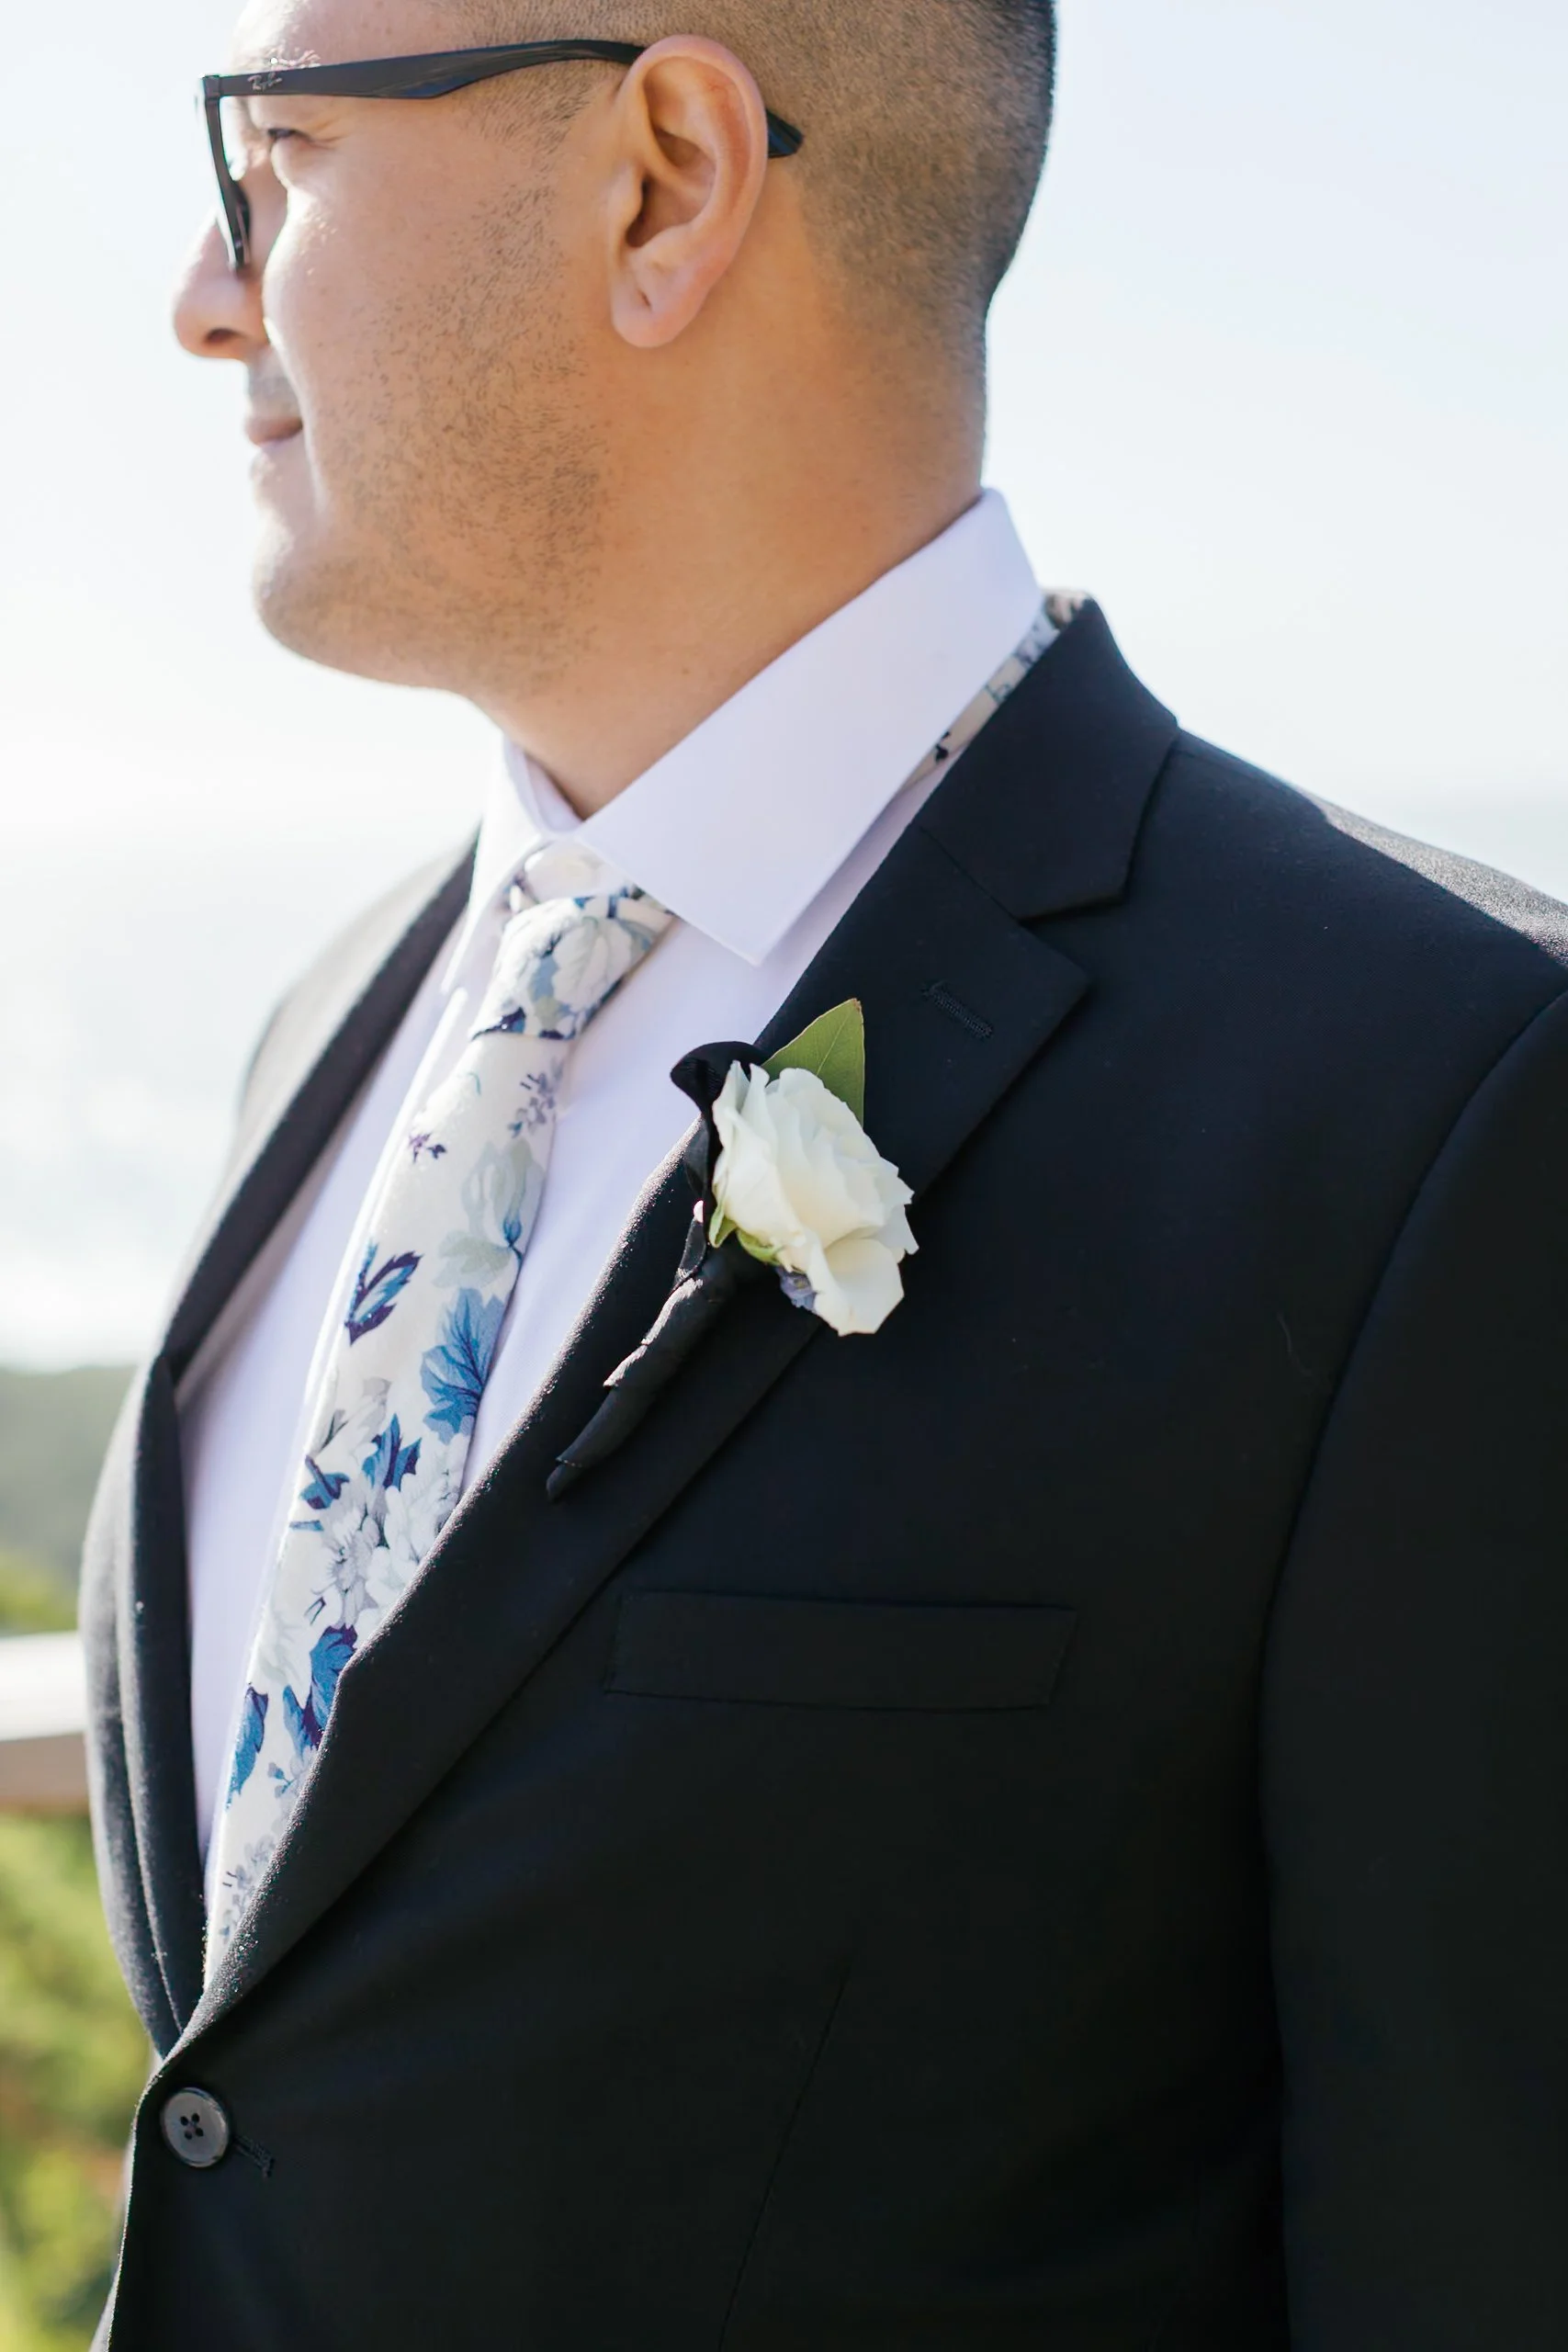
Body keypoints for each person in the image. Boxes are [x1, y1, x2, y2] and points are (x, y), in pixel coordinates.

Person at [81, 0, 1568, 2342]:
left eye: (272, 159)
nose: (197, 286)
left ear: (664, 179)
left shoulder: (1451, 1117)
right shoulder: (327, 1027)